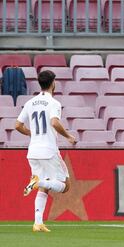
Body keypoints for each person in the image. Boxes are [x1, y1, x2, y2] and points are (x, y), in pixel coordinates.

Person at [15, 70, 76, 232]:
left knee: (45, 186)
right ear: (53, 83)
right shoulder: (53, 103)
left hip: (33, 151)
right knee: (65, 186)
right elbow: (55, 123)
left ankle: (38, 222)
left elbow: (17, 125)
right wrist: (68, 136)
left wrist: (31, 133)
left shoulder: (30, 103)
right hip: (49, 150)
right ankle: (37, 182)